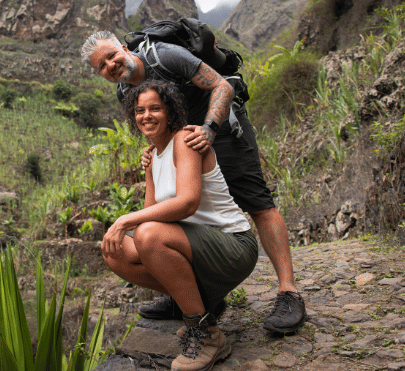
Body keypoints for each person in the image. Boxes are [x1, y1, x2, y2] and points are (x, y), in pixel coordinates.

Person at [81, 30, 306, 334]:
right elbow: (150, 124)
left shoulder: (165, 56)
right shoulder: (124, 90)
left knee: (258, 203)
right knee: (161, 221)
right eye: (102, 65)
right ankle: (192, 296)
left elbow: (222, 86)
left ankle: (288, 291)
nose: (111, 65)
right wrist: (154, 154)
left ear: (123, 48)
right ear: (99, 73)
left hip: (221, 127)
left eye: (112, 56)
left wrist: (210, 129)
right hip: (181, 145)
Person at [102, 81, 258, 371]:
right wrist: (148, 171)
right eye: (139, 110)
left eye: (155, 108)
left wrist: (125, 220)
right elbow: (151, 215)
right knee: (114, 250)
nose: (146, 116)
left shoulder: (186, 140)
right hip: (198, 247)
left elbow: (187, 203)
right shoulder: (153, 156)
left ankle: (205, 334)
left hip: (233, 245)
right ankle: (202, 304)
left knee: (146, 235)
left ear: (170, 111)